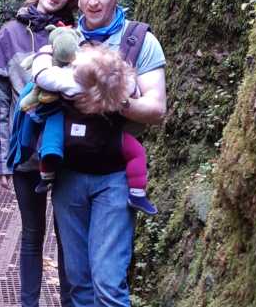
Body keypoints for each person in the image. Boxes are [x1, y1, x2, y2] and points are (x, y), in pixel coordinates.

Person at [43, 0, 167, 307]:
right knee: (77, 273)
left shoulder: (139, 42)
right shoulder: (66, 39)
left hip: (115, 174)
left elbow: (156, 109)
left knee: (108, 276)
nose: (93, 1)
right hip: (72, 172)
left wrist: (109, 98)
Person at [0, 0, 77, 307]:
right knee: (31, 236)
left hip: (67, 152)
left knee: (70, 241)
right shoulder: (10, 34)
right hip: (25, 153)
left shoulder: (73, 35)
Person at [26, 40, 158, 215]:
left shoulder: (70, 82)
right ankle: (137, 193)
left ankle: (47, 175)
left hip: (71, 135)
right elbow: (135, 92)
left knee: (50, 142)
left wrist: (44, 53)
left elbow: (41, 75)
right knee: (136, 152)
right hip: (108, 138)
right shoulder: (119, 85)